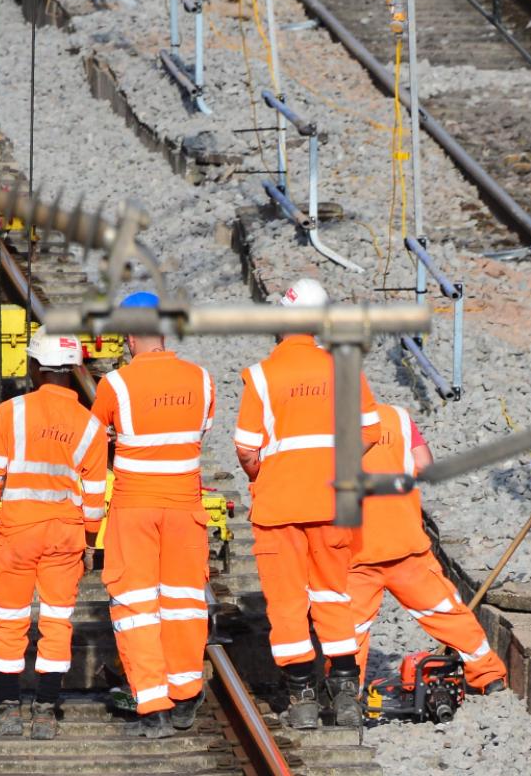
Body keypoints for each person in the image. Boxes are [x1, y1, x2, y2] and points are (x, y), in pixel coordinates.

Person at [235, 278, 380, 728]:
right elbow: (371, 432)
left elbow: (246, 447)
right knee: (334, 595)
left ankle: (301, 699)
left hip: (279, 508)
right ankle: (345, 693)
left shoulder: (261, 375)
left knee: (286, 602)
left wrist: (265, 475)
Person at [92, 290, 215, 738]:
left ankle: (154, 705)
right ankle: (186, 696)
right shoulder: (201, 380)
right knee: (184, 604)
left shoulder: (116, 385)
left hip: (134, 509)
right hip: (185, 509)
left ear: (128, 335)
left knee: (135, 607)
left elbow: (96, 441)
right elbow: (198, 432)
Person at [0, 328, 107, 739]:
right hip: (66, 535)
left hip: (17, 531)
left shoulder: (10, 413)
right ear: (72, 370)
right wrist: (89, 542)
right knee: (56, 620)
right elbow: (95, 494)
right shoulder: (89, 425)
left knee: (11, 620)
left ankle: (10, 708)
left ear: (35, 367)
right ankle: (47, 710)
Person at [347, 402, 508, 693]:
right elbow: (424, 465)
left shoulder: (320, 424)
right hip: (405, 540)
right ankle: (488, 675)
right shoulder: (396, 416)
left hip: (354, 550)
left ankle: (346, 690)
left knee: (348, 627)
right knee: (444, 610)